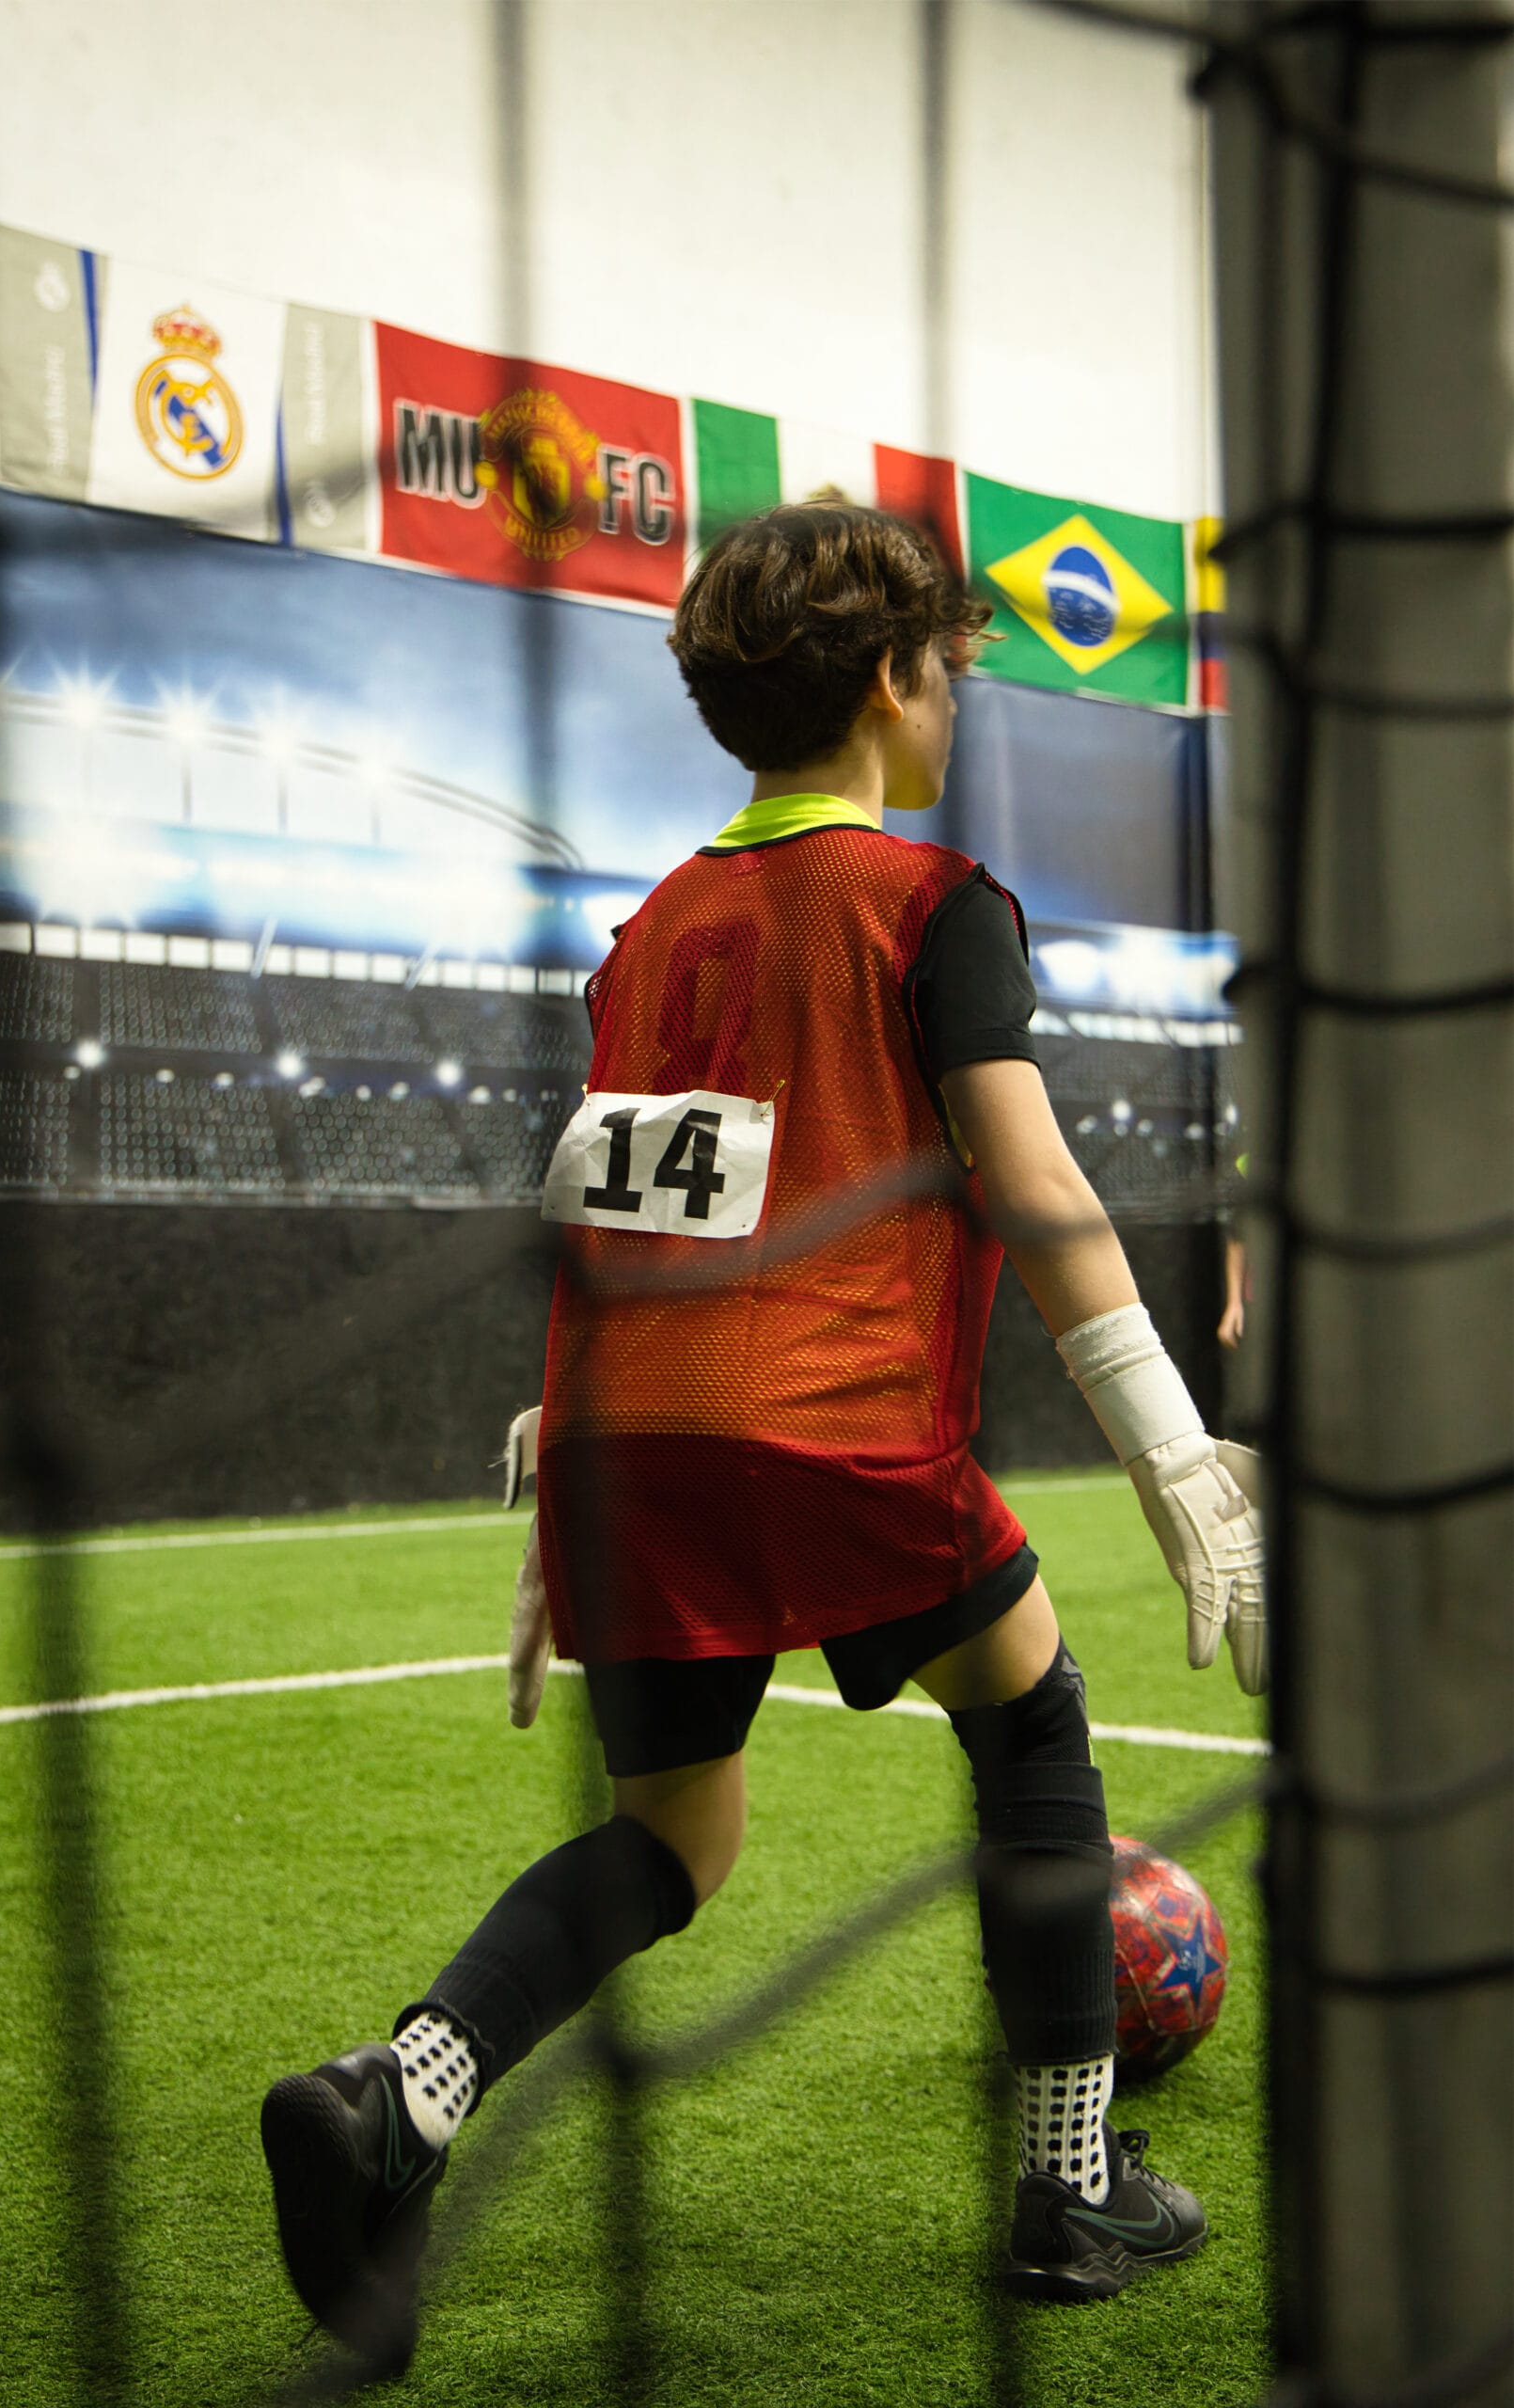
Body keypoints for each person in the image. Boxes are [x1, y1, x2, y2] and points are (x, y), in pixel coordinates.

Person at [260, 503, 1266, 2372]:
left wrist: (567, 1474)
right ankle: (1070, 2187)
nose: (955, 699)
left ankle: (396, 2092)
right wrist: (1169, 1446)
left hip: (626, 1440)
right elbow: (1034, 1185)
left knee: (673, 1833)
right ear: (892, 680)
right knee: (1031, 1722)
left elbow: (619, 1204)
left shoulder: (647, 930)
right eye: (948, 669)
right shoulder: (935, 903)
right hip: (833, 1424)